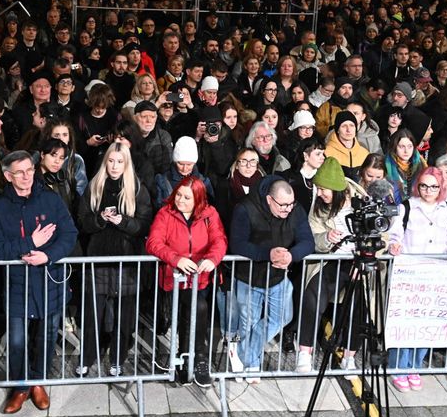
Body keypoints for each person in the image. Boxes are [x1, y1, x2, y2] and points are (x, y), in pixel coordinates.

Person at [0, 151, 77, 414]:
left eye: (29, 170)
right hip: (18, 285)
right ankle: (21, 386)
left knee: (47, 337)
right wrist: (30, 244)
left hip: (50, 281)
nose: (26, 176)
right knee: (16, 341)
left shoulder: (50, 199)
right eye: (19, 172)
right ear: (7, 176)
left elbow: (69, 234)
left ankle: (38, 381)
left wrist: (48, 255)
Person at [75, 143, 153, 376]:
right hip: (97, 259)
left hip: (127, 261)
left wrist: (123, 222)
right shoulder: (94, 186)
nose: (115, 166)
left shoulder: (137, 189)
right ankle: (87, 357)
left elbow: (144, 225)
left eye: (120, 161)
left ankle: (118, 358)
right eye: (111, 160)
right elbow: (82, 222)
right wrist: (100, 219)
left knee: (124, 316)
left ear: (126, 163)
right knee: (92, 315)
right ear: (105, 161)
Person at [386, 167, 447, 391]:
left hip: (436, 273)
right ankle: (398, 367)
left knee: (426, 322)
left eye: (433, 186)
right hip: (410, 272)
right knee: (406, 321)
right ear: (417, 186)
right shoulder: (407, 207)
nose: (428, 190)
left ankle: (414, 366)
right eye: (424, 185)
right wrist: (395, 245)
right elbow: (395, 235)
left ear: (440, 187)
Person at [228, 175, 313, 382]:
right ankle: (252, 363)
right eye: (282, 205)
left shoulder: (296, 210)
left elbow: (307, 241)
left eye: (290, 204)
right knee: (249, 321)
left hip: (278, 277)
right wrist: (268, 254)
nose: (287, 209)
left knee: (283, 317)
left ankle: (240, 351)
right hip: (249, 277)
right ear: (269, 199)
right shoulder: (245, 209)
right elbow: (237, 244)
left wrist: (291, 255)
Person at [145, 176, 227, 387]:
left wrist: (212, 259)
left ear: (198, 199)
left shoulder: (210, 214)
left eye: (187, 197)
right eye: (179, 195)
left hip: (201, 279)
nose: (180, 200)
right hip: (174, 278)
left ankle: (196, 358)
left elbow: (219, 240)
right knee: (188, 313)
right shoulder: (166, 213)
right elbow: (154, 242)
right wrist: (176, 258)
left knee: (195, 312)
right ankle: (189, 357)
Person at [296, 158, 367, 373]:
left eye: (323, 189)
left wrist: (363, 259)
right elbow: (312, 235)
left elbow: (379, 235)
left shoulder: (361, 200)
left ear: (336, 190)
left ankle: (349, 356)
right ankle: (304, 353)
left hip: (358, 262)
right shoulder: (319, 207)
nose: (319, 194)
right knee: (312, 297)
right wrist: (327, 238)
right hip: (329, 261)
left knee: (359, 307)